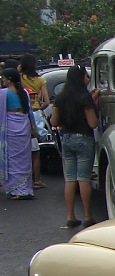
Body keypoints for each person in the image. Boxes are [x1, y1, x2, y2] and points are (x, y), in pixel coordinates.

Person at [50, 65, 98, 228]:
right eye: (86, 77)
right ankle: (88, 216)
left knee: (70, 179)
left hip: (67, 140)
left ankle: (70, 216)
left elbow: (54, 122)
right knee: (84, 179)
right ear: (81, 78)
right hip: (84, 138)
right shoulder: (84, 97)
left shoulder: (60, 97)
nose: (87, 80)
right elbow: (92, 123)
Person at [0, 68, 35, 200]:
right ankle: (25, 188)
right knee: (24, 158)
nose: (2, 80)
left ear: (8, 79)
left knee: (12, 158)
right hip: (24, 125)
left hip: (10, 126)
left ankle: (17, 189)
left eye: (3, 78)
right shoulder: (24, 92)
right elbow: (29, 111)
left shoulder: (3, 93)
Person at [19, 53, 50, 190]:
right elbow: (47, 101)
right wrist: (39, 108)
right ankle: (37, 180)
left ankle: (22, 179)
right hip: (36, 113)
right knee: (35, 150)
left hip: (21, 113)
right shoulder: (40, 80)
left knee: (21, 150)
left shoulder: (20, 79)